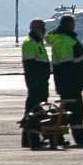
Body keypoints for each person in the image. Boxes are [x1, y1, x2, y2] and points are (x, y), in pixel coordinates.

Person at [46, 15, 83, 146]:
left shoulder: (64, 39)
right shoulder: (65, 40)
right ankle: (73, 135)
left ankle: (72, 135)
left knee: (71, 110)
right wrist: (73, 81)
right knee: (74, 110)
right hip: (70, 83)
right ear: (69, 25)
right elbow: (66, 65)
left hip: (69, 83)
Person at [21, 19, 50, 148]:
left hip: (42, 82)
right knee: (33, 110)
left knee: (37, 110)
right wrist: (36, 81)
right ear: (35, 28)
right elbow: (30, 65)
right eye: (42, 27)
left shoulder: (38, 42)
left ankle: (33, 137)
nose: (44, 29)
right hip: (36, 83)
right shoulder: (30, 42)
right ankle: (29, 138)